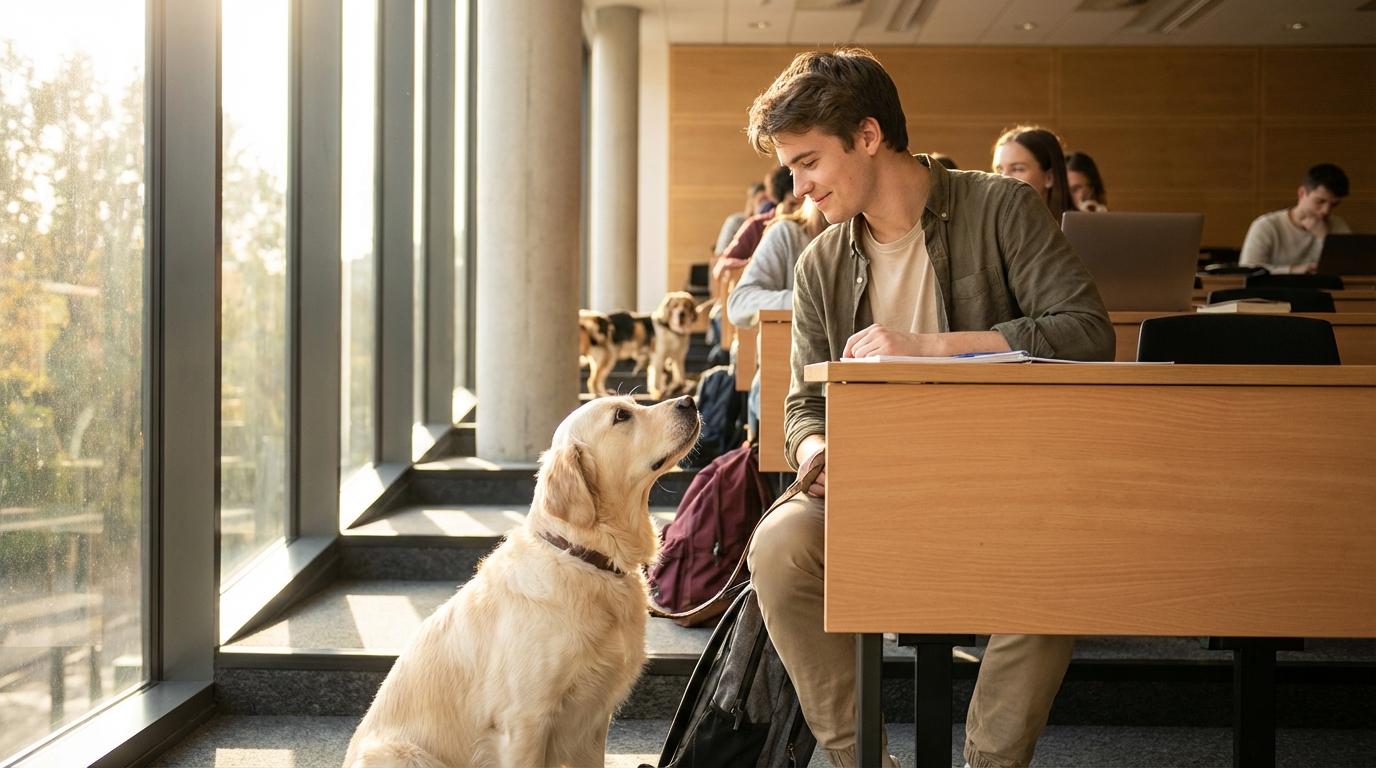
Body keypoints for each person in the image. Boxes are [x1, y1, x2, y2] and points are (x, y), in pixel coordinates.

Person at [744, 48, 1113, 768]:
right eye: (792, 168)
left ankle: (990, 763)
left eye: (809, 161)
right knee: (780, 546)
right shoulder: (819, 262)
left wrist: (932, 347)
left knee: (1057, 553)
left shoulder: (1001, 207)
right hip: (875, 483)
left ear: (869, 135)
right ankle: (865, 760)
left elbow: (1086, 333)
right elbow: (800, 406)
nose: (801, 186)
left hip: (1007, 478)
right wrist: (816, 452)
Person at [726, 197, 830, 436]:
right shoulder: (787, 234)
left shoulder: (864, 235)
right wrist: (806, 302)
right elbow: (739, 304)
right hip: (782, 389)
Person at [1239, 163, 1351, 275]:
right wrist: (1291, 271)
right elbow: (1247, 270)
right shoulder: (1267, 226)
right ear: (1302, 193)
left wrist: (1325, 237)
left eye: (1333, 205)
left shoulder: (1337, 224)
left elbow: (1351, 268)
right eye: (1320, 201)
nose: (1326, 211)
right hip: (1274, 291)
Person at [714, 164, 798, 280]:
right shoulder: (756, 226)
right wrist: (755, 265)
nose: (798, 210)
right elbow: (722, 264)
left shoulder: (813, 228)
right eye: (793, 204)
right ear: (778, 201)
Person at [992, 126, 1072, 224]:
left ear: (1049, 178)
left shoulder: (1077, 230)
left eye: (1017, 169)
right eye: (999, 170)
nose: (1003, 178)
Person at [714, 182, 767, 256]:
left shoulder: (772, 226)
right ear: (751, 203)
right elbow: (719, 257)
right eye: (762, 200)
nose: (766, 205)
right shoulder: (736, 222)